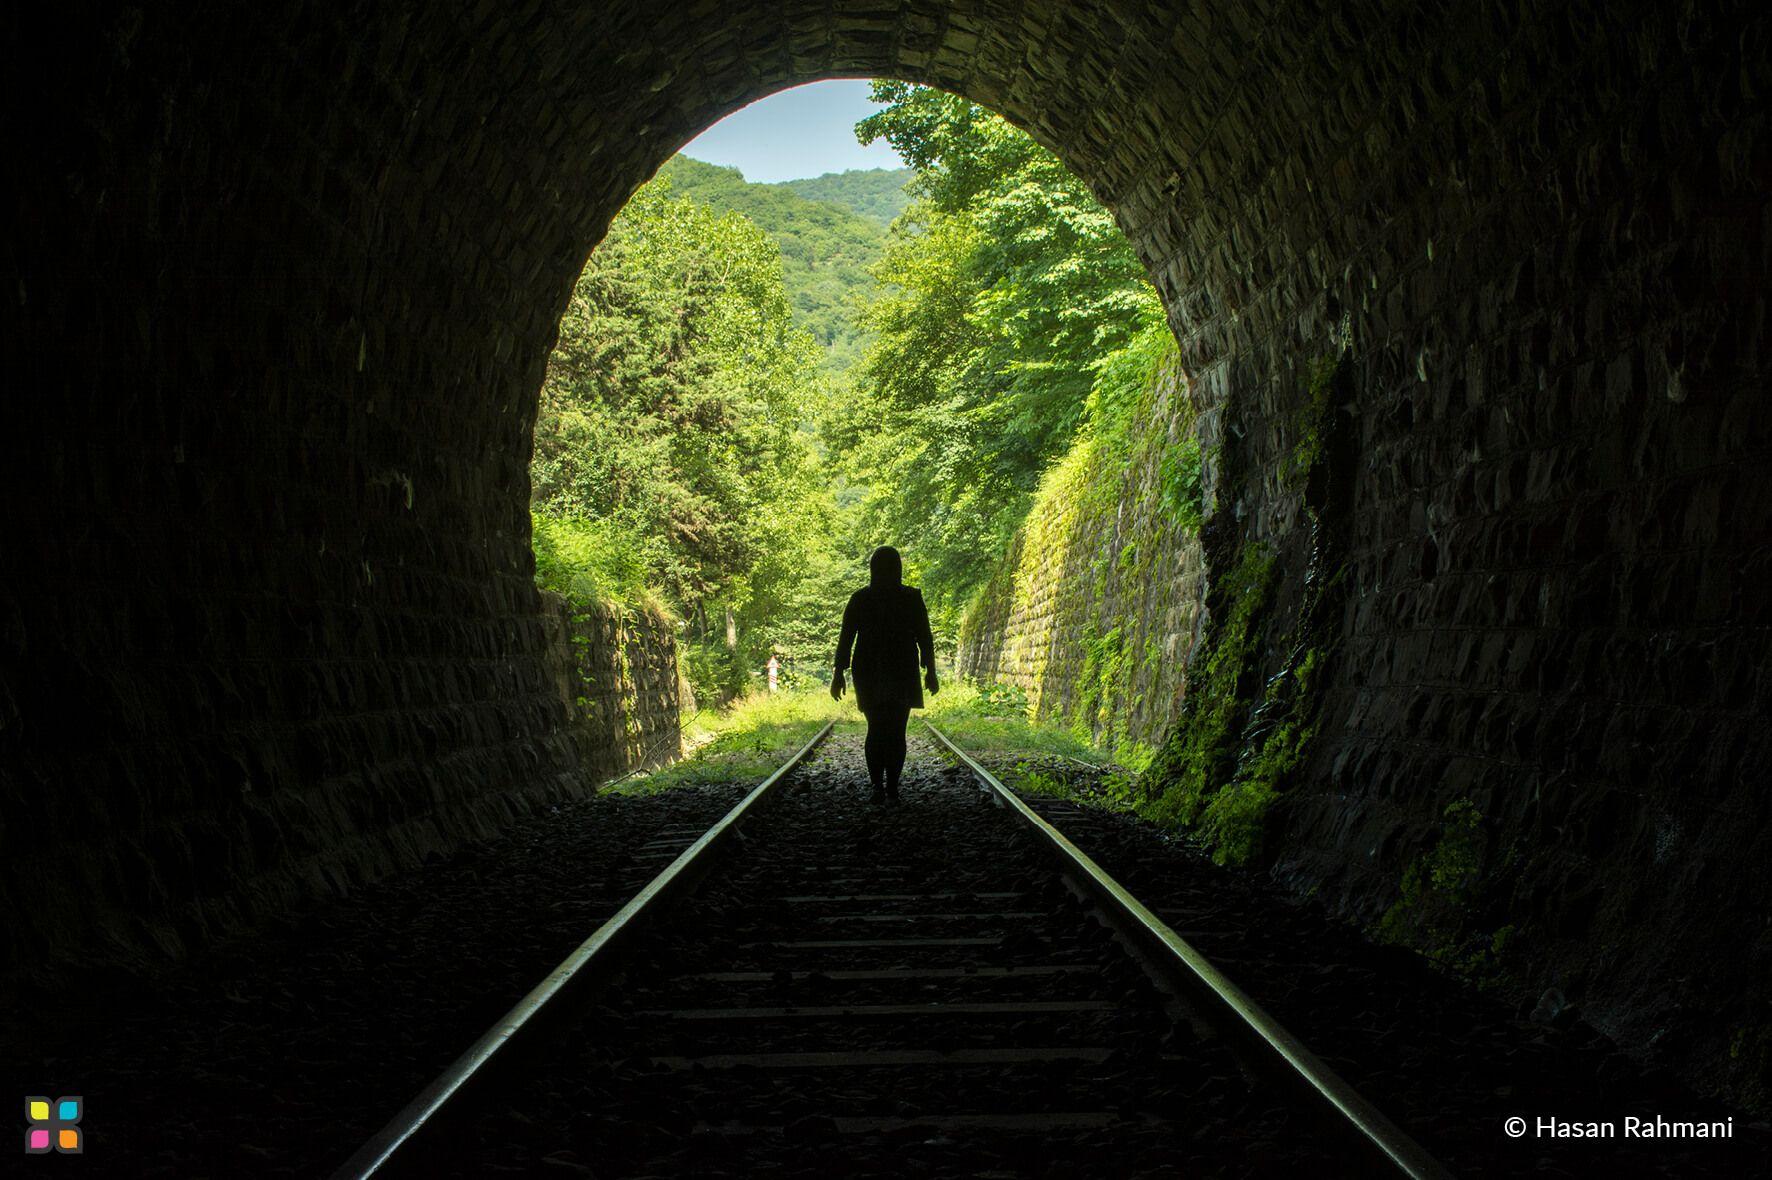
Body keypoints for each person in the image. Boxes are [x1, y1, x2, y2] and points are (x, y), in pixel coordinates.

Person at [831, 546, 938, 803]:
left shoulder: (860, 599)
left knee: (876, 727)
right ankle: (891, 787)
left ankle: (878, 786)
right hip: (902, 669)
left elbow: (846, 639)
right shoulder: (911, 598)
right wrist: (930, 671)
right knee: (896, 729)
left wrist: (839, 673)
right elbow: (925, 637)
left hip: (868, 670)